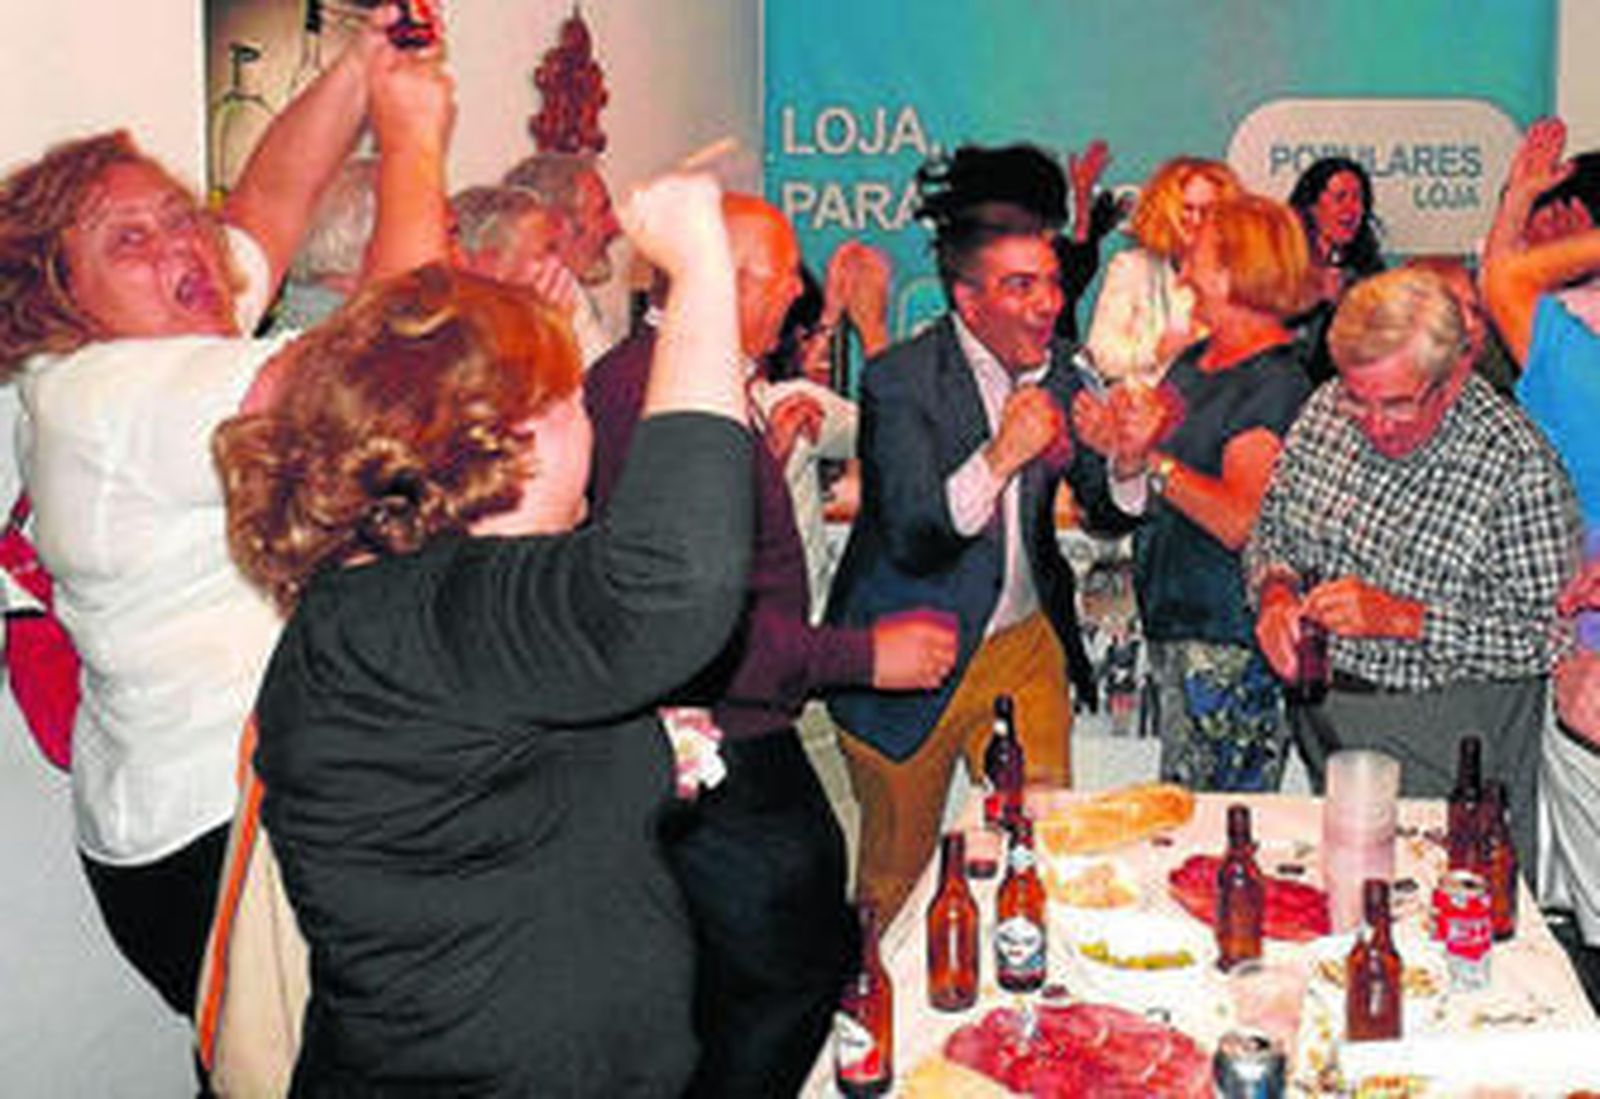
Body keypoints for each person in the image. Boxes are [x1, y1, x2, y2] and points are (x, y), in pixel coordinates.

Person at [214, 174, 750, 1096]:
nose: (591, 421)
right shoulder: (397, 617)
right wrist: (701, 267)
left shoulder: (423, 606)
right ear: (512, 433)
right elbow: (672, 583)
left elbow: (483, 772)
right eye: (574, 399)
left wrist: (638, 752)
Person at [0, 9, 450, 1040]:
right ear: (60, 297)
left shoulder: (155, 322)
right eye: (131, 238)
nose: (182, 245)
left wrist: (358, 67)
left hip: (201, 812)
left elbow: (269, 205)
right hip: (218, 832)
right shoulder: (119, 392)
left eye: (176, 214)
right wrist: (414, 141)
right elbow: (394, 382)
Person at [586, 193, 956, 1097]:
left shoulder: (694, 379)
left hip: (739, 735)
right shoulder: (648, 394)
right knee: (777, 988)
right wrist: (865, 655)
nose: (798, 291)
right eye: (784, 271)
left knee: (769, 978)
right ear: (730, 276)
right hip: (720, 747)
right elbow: (690, 625)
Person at [825, 143, 1136, 922]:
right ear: (969, 301)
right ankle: (878, 1029)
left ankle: (1036, 1009)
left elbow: (1103, 505)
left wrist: (1125, 458)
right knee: (896, 880)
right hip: (908, 651)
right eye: (1020, 287)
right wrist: (999, 457)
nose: (1047, 304)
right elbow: (914, 537)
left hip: (1023, 648)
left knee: (1043, 850)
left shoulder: (1067, 367)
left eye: (1053, 284)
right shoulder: (900, 379)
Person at [1247, 267, 1581, 872]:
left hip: (1451, 741)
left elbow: (1548, 637)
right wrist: (1274, 592)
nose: (1374, 425)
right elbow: (1273, 532)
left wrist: (1407, 619)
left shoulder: (1517, 464)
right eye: (1359, 400)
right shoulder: (1325, 411)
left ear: (1452, 380)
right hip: (1328, 725)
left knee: (1445, 924)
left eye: (1397, 404)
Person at [1074, 194, 1312, 790]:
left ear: (1239, 269)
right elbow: (1156, 478)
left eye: (1196, 260)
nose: (1182, 276)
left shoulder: (1273, 384)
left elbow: (1241, 521)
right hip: (1178, 627)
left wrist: (1150, 460)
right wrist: (1120, 448)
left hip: (1230, 642)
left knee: (1216, 822)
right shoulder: (1196, 362)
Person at [1085, 156, 1242, 383]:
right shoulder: (1131, 267)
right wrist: (1155, 351)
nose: (1196, 220)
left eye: (1207, 210)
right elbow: (1100, 355)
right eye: (1186, 208)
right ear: (1165, 209)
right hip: (1135, 408)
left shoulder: (1240, 276)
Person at [450, 182, 611, 366]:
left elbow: (605, 377)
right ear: (488, 264)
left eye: (555, 250)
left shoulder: (561, 291)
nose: (558, 265)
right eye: (543, 254)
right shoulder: (449, 336)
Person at [1287, 156, 1385, 385]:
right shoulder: (1283, 261)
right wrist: (1313, 297)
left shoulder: (1368, 269)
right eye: (1340, 198)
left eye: (1359, 199)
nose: (1351, 210)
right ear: (1312, 206)